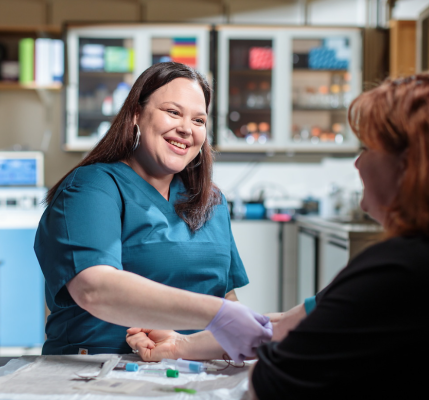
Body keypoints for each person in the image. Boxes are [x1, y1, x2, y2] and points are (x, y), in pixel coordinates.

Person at [127, 72, 429, 398]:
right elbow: (290, 322)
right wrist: (181, 346)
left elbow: (273, 384)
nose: (357, 162)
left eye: (369, 147)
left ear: (412, 168)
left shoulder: (404, 270)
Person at [34, 62, 271, 361]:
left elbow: (227, 306)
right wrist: (218, 314)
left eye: (199, 120)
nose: (186, 128)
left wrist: (228, 331)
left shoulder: (210, 200)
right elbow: (94, 288)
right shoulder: (91, 188)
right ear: (136, 114)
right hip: (97, 372)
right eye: (173, 112)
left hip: (195, 372)